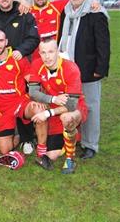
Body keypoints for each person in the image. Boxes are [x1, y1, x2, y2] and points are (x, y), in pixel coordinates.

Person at [58, 0, 110, 160]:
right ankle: (76, 138)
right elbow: (61, 40)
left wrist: (100, 69)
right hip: (68, 70)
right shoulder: (65, 13)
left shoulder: (96, 14)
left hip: (89, 71)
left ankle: (90, 145)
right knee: (72, 105)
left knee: (91, 107)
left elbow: (103, 45)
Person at [29, 38, 88, 173]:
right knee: (53, 154)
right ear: (39, 53)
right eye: (43, 52)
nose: (47, 56)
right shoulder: (37, 64)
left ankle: (70, 159)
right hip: (54, 107)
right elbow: (33, 92)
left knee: (67, 118)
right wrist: (53, 99)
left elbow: (72, 104)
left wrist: (47, 113)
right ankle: (45, 150)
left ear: (57, 51)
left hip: (75, 108)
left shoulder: (70, 68)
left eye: (51, 51)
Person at [0, 28, 40, 154]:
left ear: (6, 41)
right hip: (1, 109)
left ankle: (40, 147)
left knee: (37, 109)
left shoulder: (18, 57)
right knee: (4, 150)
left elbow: (32, 81)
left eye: (1, 41)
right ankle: (17, 136)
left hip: (20, 103)